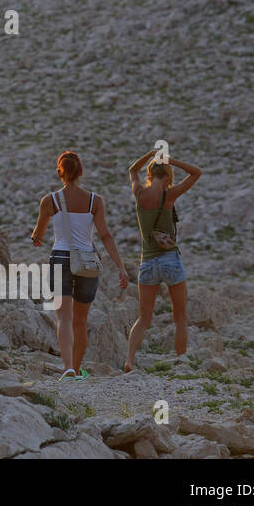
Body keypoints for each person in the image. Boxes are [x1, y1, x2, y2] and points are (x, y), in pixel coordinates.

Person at [31, 151, 129, 381]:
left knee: (63, 318)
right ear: (81, 172)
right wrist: (120, 267)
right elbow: (105, 235)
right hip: (87, 262)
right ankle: (76, 368)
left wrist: (35, 237)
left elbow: (38, 235)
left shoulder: (49, 201)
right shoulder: (96, 201)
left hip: (60, 259)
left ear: (59, 172)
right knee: (81, 320)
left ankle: (66, 368)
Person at [124, 150, 203, 372]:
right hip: (170, 261)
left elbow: (131, 170)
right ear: (167, 177)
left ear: (149, 174)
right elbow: (197, 172)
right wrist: (170, 160)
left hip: (147, 263)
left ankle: (129, 359)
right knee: (179, 316)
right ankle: (180, 360)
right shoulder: (169, 196)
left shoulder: (139, 193)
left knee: (144, 318)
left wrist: (149, 154)